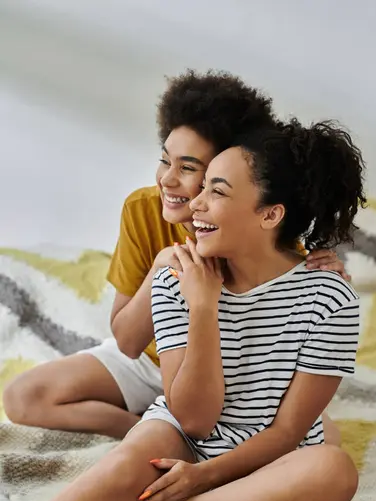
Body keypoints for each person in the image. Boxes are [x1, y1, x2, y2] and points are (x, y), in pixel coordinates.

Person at [0, 117, 365, 501]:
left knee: (332, 472)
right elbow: (193, 418)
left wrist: (202, 479)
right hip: (182, 431)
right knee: (130, 459)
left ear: (271, 215)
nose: (194, 203)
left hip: (271, 455)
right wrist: (202, 307)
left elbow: (288, 432)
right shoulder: (179, 277)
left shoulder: (330, 298)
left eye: (216, 190)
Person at [3, 71, 348, 439]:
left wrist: (325, 276)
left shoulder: (259, 229)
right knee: (22, 397)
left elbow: (286, 327)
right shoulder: (142, 209)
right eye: (165, 160)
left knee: (323, 439)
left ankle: (184, 430)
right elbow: (128, 342)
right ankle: (148, 429)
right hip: (149, 363)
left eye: (187, 168)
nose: (167, 179)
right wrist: (158, 269)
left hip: (227, 370)